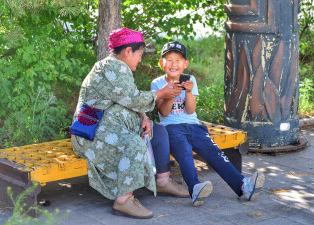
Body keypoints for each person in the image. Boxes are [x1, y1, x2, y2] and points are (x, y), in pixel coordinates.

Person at [71, 28, 188, 219]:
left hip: (107, 121)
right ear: (127, 52)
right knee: (133, 143)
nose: (140, 60)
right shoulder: (114, 68)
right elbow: (132, 98)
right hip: (89, 130)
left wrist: (143, 116)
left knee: (156, 131)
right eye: (139, 55)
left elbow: (124, 97)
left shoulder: (115, 66)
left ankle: (163, 181)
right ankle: (123, 201)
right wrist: (161, 94)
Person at [151, 41, 265, 207]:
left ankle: (243, 186)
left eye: (178, 60)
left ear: (185, 64)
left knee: (214, 152)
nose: (173, 64)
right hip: (171, 128)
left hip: (194, 126)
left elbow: (190, 110)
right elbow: (163, 113)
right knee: (184, 152)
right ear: (162, 63)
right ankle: (195, 188)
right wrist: (171, 94)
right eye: (169, 60)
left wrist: (188, 92)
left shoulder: (191, 80)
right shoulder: (157, 84)